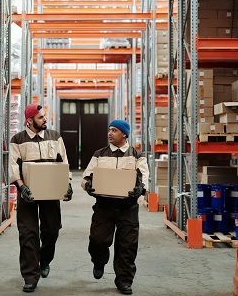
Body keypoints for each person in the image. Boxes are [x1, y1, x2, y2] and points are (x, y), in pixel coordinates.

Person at [9, 104, 73, 293]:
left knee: (52, 230)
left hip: (50, 192)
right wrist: (22, 187)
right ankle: (30, 276)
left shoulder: (55, 137)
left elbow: (64, 161)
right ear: (29, 121)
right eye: (40, 118)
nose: (45, 120)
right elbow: (13, 166)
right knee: (28, 234)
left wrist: (66, 184)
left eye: (44, 116)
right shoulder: (18, 139)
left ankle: (44, 260)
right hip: (27, 193)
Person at [81, 119, 149, 295]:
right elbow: (87, 175)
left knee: (127, 246)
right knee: (98, 240)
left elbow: (143, 177)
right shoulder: (99, 154)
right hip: (104, 206)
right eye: (109, 130)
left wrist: (139, 190)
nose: (110, 133)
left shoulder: (137, 155)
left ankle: (124, 280)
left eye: (114, 130)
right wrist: (88, 184)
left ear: (124, 134)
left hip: (128, 208)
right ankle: (99, 260)